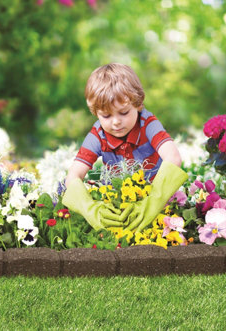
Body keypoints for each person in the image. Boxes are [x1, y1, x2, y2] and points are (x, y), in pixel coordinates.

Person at [63, 63, 188, 232]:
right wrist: (93, 210)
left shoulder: (147, 124)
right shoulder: (98, 134)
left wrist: (152, 203)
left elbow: (173, 158)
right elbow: (73, 175)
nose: (115, 122)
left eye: (123, 112)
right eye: (106, 115)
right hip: (117, 206)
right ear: (95, 112)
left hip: (157, 203)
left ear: (137, 103)